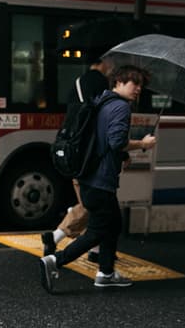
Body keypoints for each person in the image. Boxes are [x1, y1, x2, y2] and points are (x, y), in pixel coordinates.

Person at [39, 65, 156, 291]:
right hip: (100, 180)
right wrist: (143, 144)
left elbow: (102, 140)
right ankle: (55, 261)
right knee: (98, 230)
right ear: (119, 82)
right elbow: (116, 141)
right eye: (134, 83)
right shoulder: (121, 107)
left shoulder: (102, 101)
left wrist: (121, 155)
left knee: (113, 225)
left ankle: (105, 273)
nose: (138, 89)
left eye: (141, 85)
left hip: (89, 177)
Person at [42, 55, 114, 261]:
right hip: (90, 156)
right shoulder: (100, 82)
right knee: (95, 205)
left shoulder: (77, 82)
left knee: (92, 204)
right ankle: (56, 244)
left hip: (75, 151)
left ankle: (95, 251)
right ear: (104, 61)